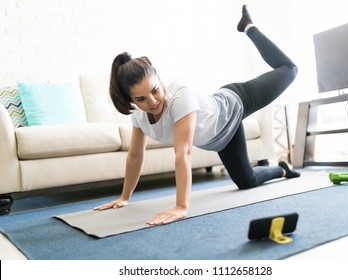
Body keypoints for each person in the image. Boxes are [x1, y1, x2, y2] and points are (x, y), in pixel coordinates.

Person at [94, 5, 300, 225]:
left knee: (289, 69)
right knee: (246, 181)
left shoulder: (180, 97)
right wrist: (125, 197)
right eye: (141, 99)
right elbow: (135, 156)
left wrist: (181, 207)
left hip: (234, 103)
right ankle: (282, 169)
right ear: (131, 100)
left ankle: (248, 27)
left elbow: (183, 152)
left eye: (155, 91)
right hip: (221, 138)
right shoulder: (139, 117)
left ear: (160, 80)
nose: (152, 102)